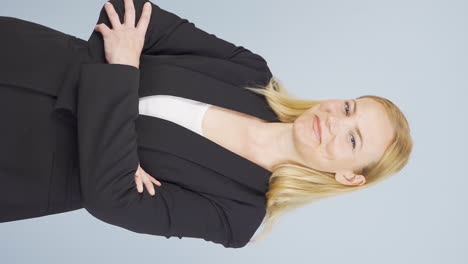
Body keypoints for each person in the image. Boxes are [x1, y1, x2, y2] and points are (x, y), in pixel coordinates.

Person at [0, 0, 413, 248]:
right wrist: (116, 147)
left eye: (353, 139)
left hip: (20, 163)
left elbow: (109, 201)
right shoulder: (251, 73)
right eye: (347, 108)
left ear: (348, 177)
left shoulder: (238, 214)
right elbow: (134, 12)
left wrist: (125, 64)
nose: (334, 121)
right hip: (24, 54)